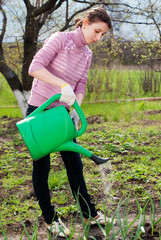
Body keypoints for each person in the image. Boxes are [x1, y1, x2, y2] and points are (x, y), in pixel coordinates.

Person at [27, 6, 114, 237]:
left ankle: (88, 213)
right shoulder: (60, 40)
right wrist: (62, 85)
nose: (98, 38)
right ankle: (51, 219)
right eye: (97, 31)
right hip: (40, 112)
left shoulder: (87, 54)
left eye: (102, 34)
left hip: (63, 116)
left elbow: (81, 85)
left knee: (75, 165)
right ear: (84, 22)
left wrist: (77, 106)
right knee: (42, 167)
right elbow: (34, 68)